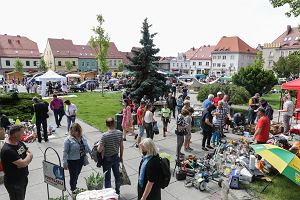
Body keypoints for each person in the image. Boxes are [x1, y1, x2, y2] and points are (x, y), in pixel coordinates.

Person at [1, 125, 33, 200]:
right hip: (14, 183)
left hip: (23, 178)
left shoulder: (19, 142)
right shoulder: (8, 150)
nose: (24, 134)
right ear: (15, 134)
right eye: (22, 132)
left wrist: (25, 161)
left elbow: (29, 153)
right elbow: (24, 162)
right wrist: (26, 160)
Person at [97, 118, 124, 195]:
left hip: (107, 159)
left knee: (107, 178)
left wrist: (99, 144)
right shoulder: (120, 133)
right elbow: (122, 146)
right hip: (116, 157)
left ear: (106, 125)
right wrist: (121, 157)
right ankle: (117, 192)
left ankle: (108, 194)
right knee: (117, 176)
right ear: (114, 124)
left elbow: (99, 150)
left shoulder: (104, 136)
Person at [63, 123, 91, 193]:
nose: (72, 132)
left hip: (81, 159)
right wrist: (65, 162)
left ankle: (74, 186)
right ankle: (73, 189)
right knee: (73, 176)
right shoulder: (68, 140)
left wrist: (91, 154)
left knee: (77, 174)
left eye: (74, 131)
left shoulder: (82, 137)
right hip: (72, 161)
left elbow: (87, 146)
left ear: (78, 131)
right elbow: (65, 152)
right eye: (71, 131)